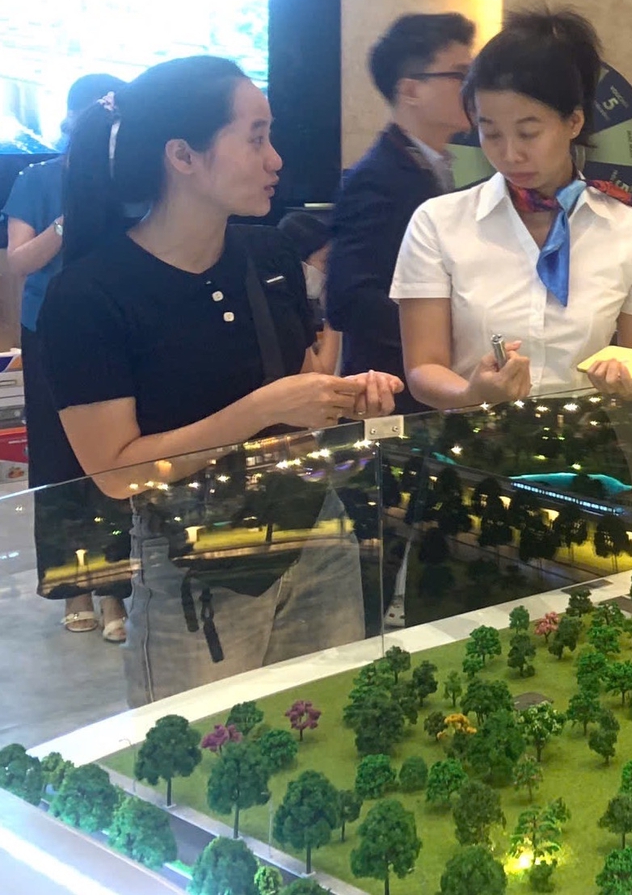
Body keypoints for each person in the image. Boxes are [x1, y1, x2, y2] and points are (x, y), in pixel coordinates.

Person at [38, 56, 403, 702]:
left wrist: (347, 397)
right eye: (255, 137)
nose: (276, 159)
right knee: (202, 752)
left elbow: (299, 392)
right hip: (194, 566)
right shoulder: (89, 296)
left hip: (316, 537)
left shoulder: (268, 254)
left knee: (325, 732)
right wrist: (259, 408)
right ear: (183, 155)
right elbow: (117, 472)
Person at [393, 7, 632, 411]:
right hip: (475, 437)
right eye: (491, 133)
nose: (510, 154)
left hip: (587, 440)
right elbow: (423, 367)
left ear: (574, 122)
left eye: (528, 132)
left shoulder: (630, 229)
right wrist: (473, 394)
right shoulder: (438, 223)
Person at [7, 72, 125, 637]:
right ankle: (72, 587)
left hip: (116, 327)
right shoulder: (37, 178)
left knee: (117, 457)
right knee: (57, 458)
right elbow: (19, 262)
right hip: (48, 330)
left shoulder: (129, 181)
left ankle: (116, 591)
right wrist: (67, 219)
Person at [325, 12, 475, 411]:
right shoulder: (375, 177)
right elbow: (348, 298)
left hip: (435, 390)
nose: (473, 88)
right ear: (410, 90)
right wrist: (436, 330)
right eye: (460, 75)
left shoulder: (437, 166)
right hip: (393, 400)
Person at [277, 210, 340, 368]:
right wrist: (334, 316)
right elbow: (321, 373)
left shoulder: (305, 306)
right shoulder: (282, 308)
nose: (330, 271)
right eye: (325, 262)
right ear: (300, 266)